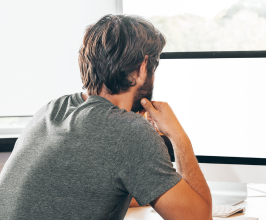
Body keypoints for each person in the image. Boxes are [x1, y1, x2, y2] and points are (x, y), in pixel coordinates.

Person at [0, 15, 212, 220]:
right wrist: (177, 135)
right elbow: (199, 218)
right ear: (142, 68)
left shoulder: (51, 110)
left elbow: (87, 191)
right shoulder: (129, 131)